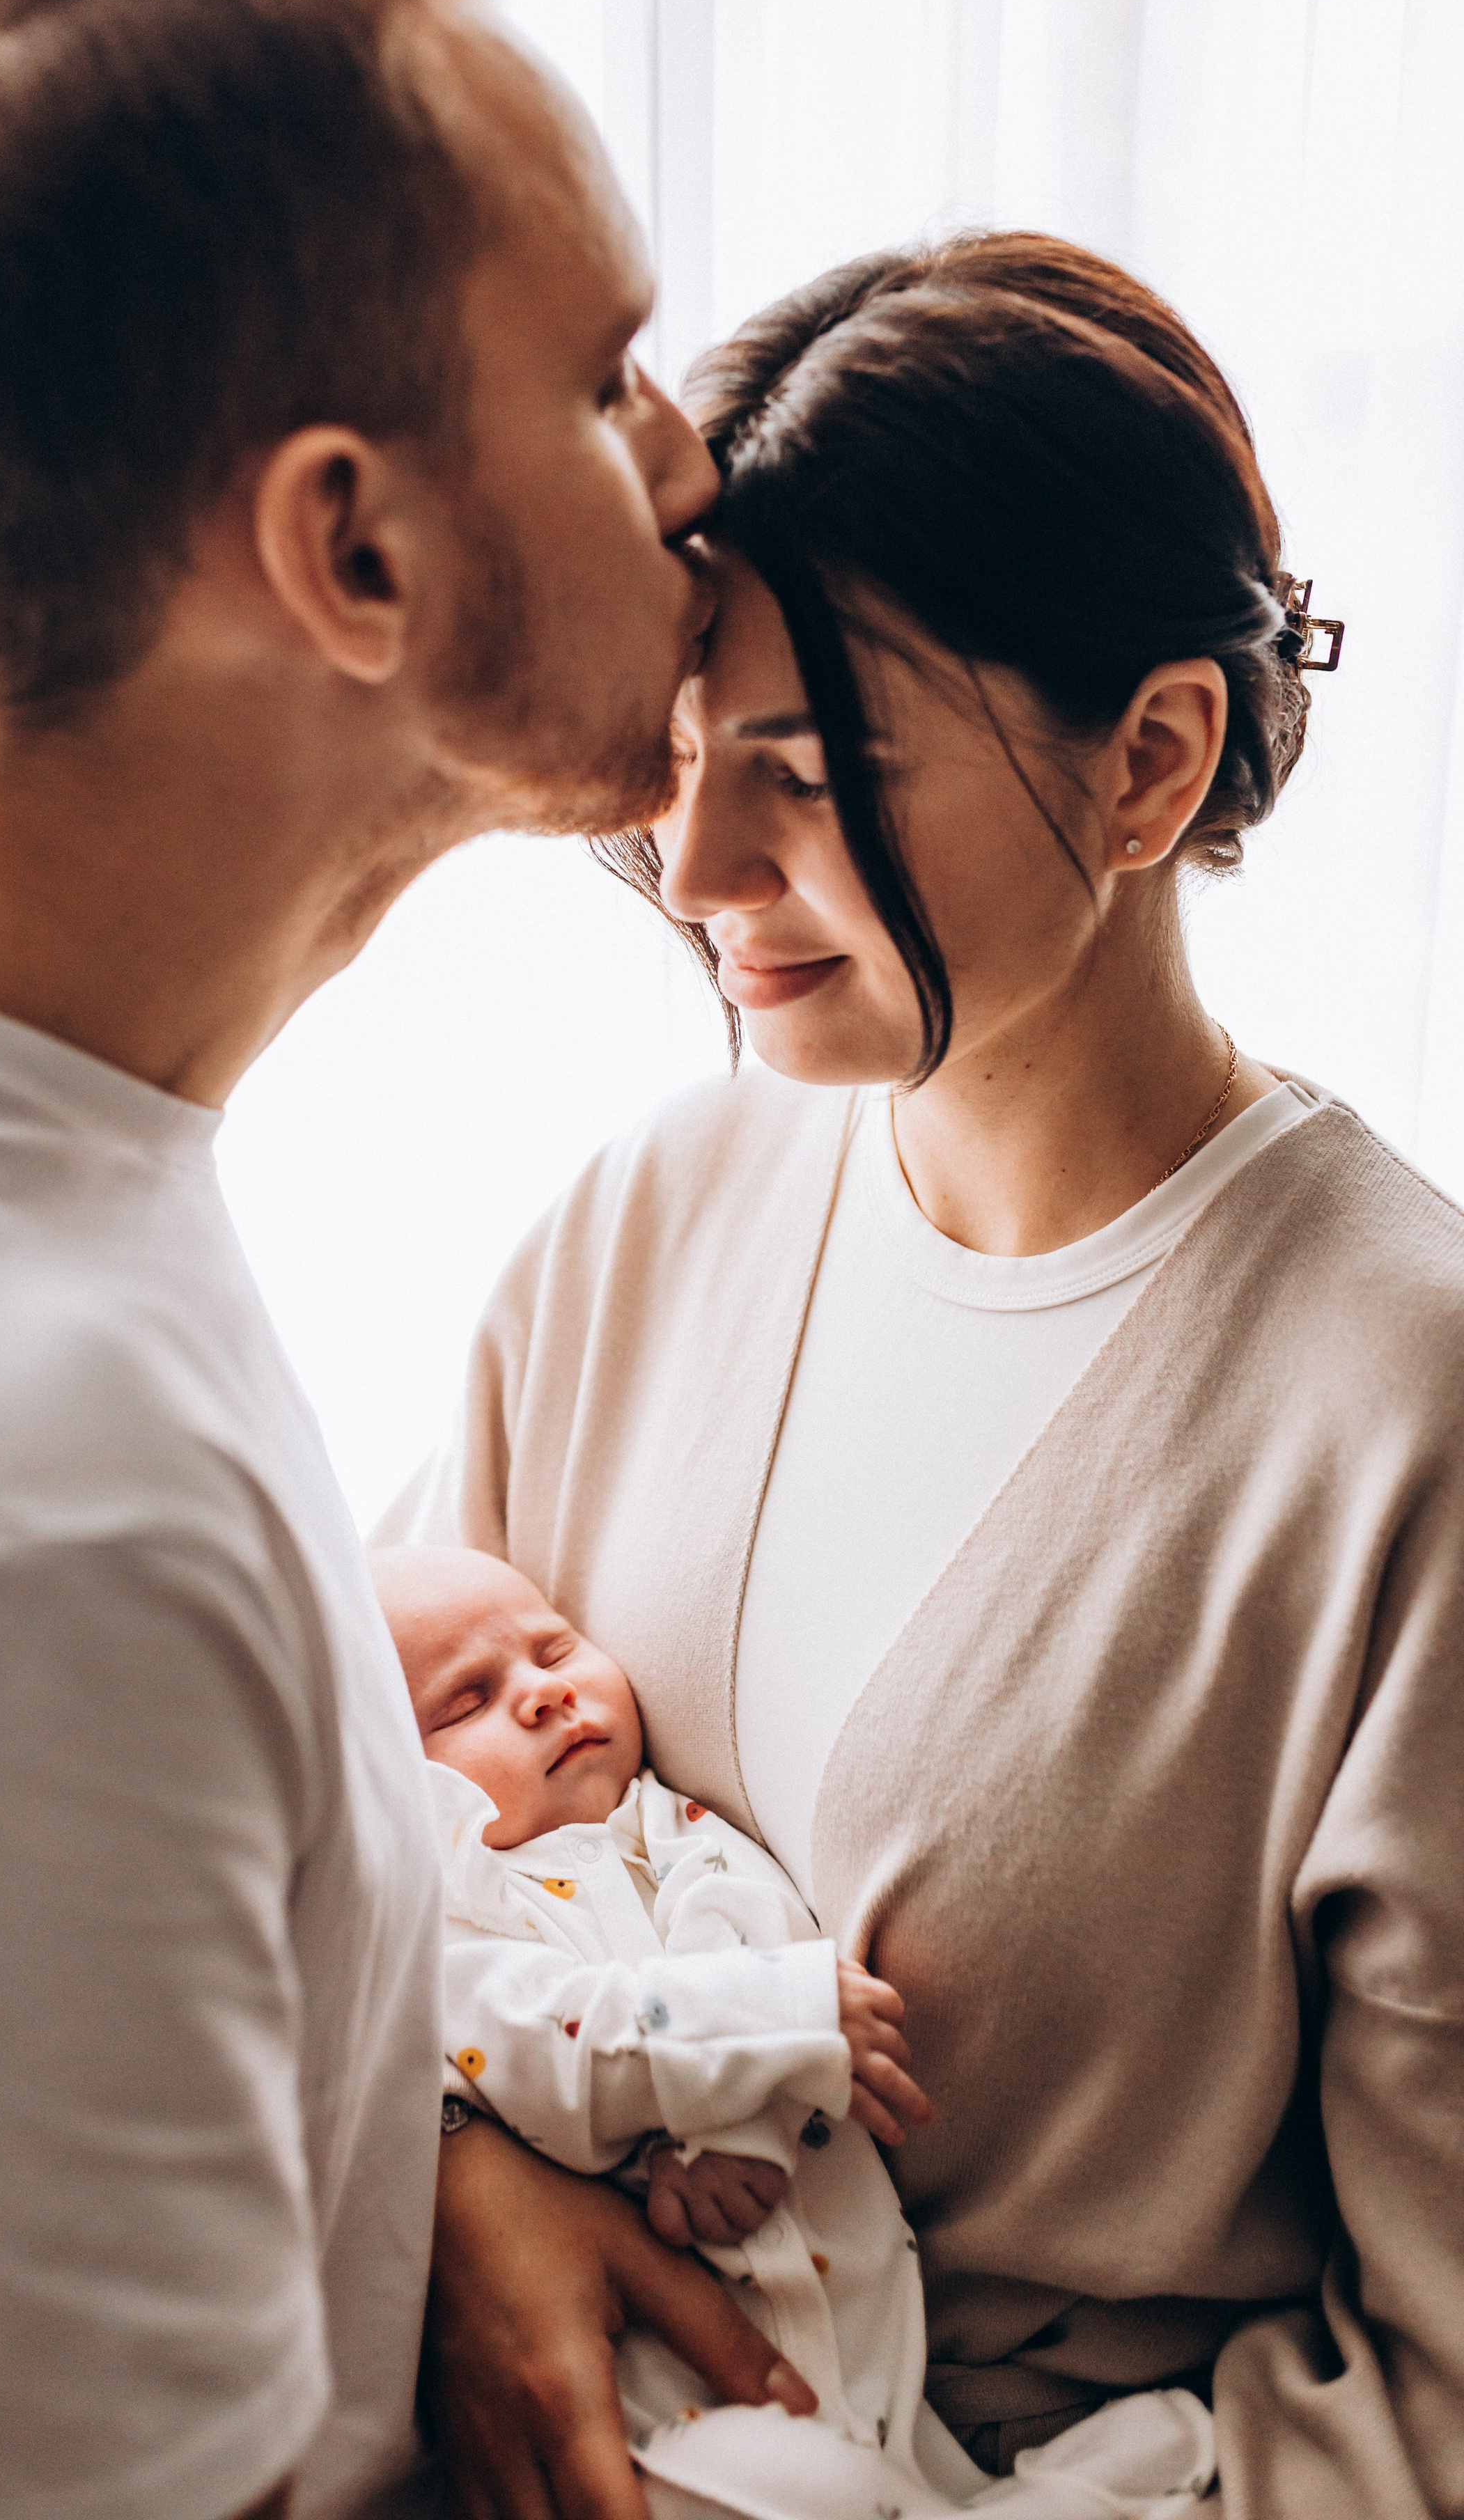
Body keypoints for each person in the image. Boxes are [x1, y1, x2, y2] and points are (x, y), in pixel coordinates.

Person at [0, 0, 815, 2516]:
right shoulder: (0, 1509)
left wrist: (422, 2170)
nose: (694, 468)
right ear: (352, 550)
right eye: (613, 374)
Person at [387, 234, 1464, 2520]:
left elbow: (1446, 2396)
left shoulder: (1404, 1424)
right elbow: (336, 1849)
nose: (694, 867)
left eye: (816, 768)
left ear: (1155, 756)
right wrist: (463, 2192)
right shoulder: (647, 1219)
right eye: (687, 759)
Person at [373, 1547, 1220, 2520]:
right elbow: (539, 2040)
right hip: (669, 2420)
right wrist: (767, 2020)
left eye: (553, 1649)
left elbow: (754, 1936)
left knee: (888, 2471)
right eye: (467, 1702)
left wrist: (741, 2119)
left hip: (860, 2344)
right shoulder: (457, 1916)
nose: (539, 1694)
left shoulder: (675, 1827)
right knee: (808, 2490)